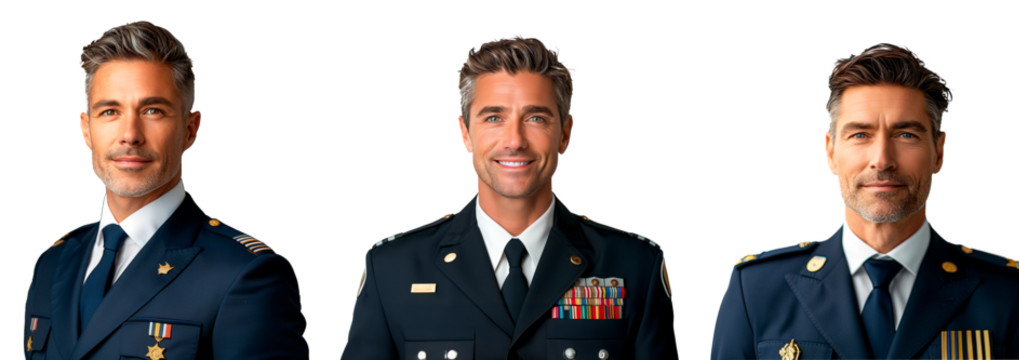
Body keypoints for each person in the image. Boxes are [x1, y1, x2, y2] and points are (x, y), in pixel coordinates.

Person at [709, 43, 1019, 360]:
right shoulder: (754, 290)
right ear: (830, 152)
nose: (882, 159)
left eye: (905, 134)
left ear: (939, 152)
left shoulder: (1012, 295)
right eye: (860, 134)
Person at [339, 33, 679, 359]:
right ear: (465, 133)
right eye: (494, 117)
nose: (514, 140)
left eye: (536, 117)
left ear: (565, 134)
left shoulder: (635, 266)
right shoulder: (392, 270)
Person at [21, 20, 308, 359]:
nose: (130, 134)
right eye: (110, 111)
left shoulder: (244, 273)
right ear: (86, 129)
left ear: (190, 129)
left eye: (153, 110)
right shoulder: (54, 262)